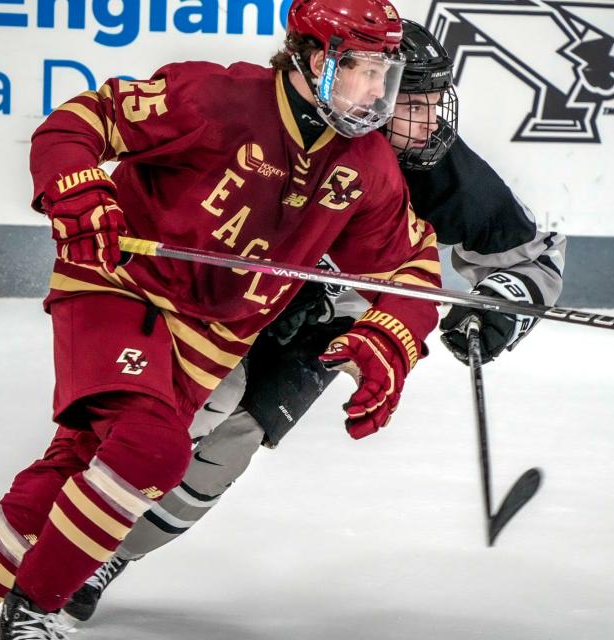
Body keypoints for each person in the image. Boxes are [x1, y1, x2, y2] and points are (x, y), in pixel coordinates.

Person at [0, 1, 444, 639]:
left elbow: (411, 267)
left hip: (208, 343)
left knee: (56, 495)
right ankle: (35, 614)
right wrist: (77, 189)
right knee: (151, 452)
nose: (379, 91)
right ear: (313, 57)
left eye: (387, 71)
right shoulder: (213, 97)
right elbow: (77, 123)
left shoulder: (368, 167)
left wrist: (389, 336)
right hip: (118, 288)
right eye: (363, 69)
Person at [59, 18, 568, 623]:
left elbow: (532, 257)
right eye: (413, 104)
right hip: (232, 291)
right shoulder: (286, 126)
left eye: (435, 104)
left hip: (330, 313)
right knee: (181, 414)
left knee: (238, 437)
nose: (431, 124)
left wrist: (497, 308)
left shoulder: (437, 166)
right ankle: (64, 537)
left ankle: (111, 552)